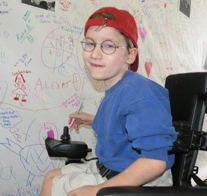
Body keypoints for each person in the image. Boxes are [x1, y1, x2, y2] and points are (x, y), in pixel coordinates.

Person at [40, 7, 177, 196]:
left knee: (56, 187)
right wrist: (93, 119)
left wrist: (97, 190)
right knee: (51, 177)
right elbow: (122, 124)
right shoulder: (118, 88)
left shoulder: (139, 93)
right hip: (111, 167)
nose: (95, 54)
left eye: (108, 45)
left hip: (139, 181)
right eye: (90, 43)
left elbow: (155, 162)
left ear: (130, 55)